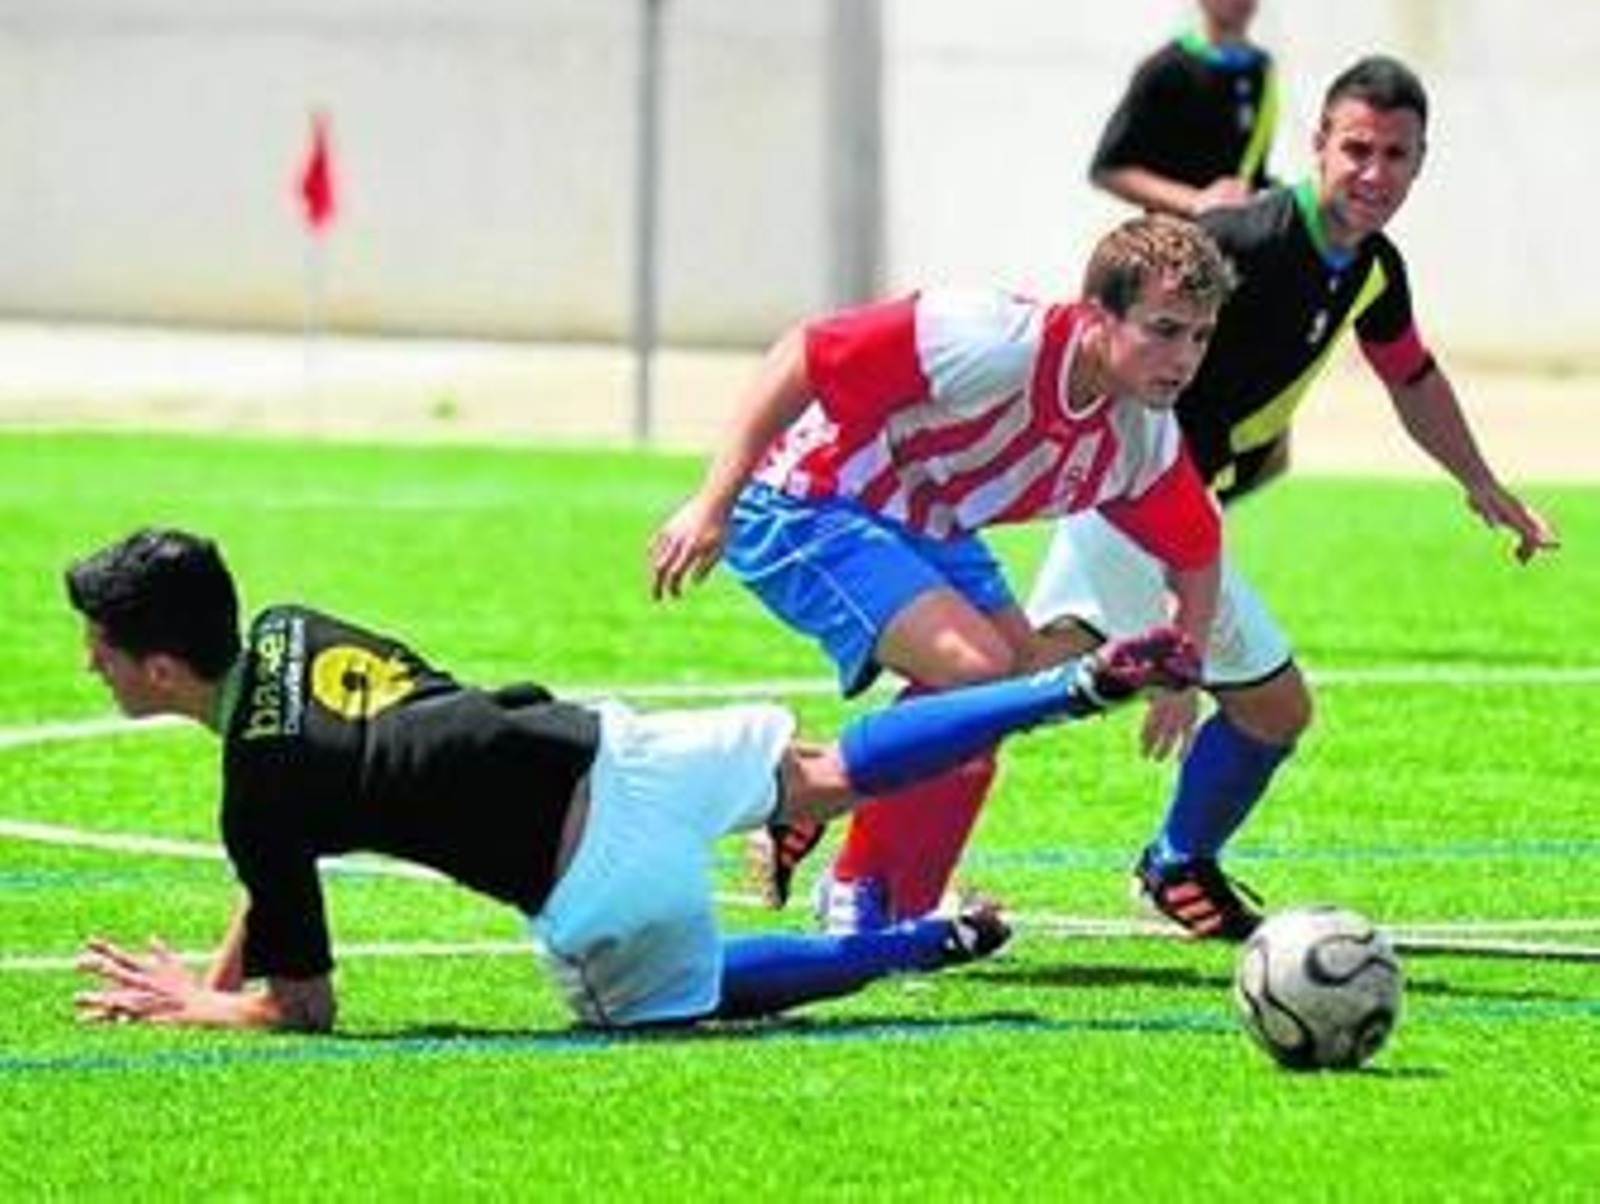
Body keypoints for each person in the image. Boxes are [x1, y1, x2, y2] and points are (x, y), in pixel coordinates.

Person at [67, 527, 1201, 1034]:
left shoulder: (258, 797)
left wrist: (209, 999)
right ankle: (1074, 689)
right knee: (827, 773)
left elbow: (304, 1008)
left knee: (694, 996)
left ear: (162, 669)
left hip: (596, 889)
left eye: (102, 649)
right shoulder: (291, 631)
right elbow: (290, 828)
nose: (91, 663)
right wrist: (249, 920)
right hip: (619, 751)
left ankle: (920, 944)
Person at [1027, 55, 1560, 940]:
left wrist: (1480, 481)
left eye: (1397, 154)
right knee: (1274, 707)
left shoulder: (1374, 269)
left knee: (1010, 673)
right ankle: (1176, 863)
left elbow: (1411, 375)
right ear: (1318, 144)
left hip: (1152, 511)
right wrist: (1177, 627)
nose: (1374, 173)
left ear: (1421, 163)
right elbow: (1106, 327)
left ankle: (828, 786)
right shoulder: (1239, 242)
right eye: (1356, 148)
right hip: (1144, 509)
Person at [649, 214, 1235, 933]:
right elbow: (800, 354)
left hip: (926, 521)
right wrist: (713, 500)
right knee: (977, 668)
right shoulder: (986, 335)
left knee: (1000, 696)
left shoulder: (1141, 436)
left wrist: (1186, 664)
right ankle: (845, 871)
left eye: (1201, 335)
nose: (1185, 356)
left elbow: (1198, 550)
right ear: (1095, 317)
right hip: (808, 495)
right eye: (1165, 328)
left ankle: (906, 904)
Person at [1090, 0, 1277, 220]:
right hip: (1175, 254)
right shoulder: (1165, 69)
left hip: (1238, 255)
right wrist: (1196, 200)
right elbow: (1107, 169)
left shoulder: (1262, 68)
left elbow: (1249, 173)